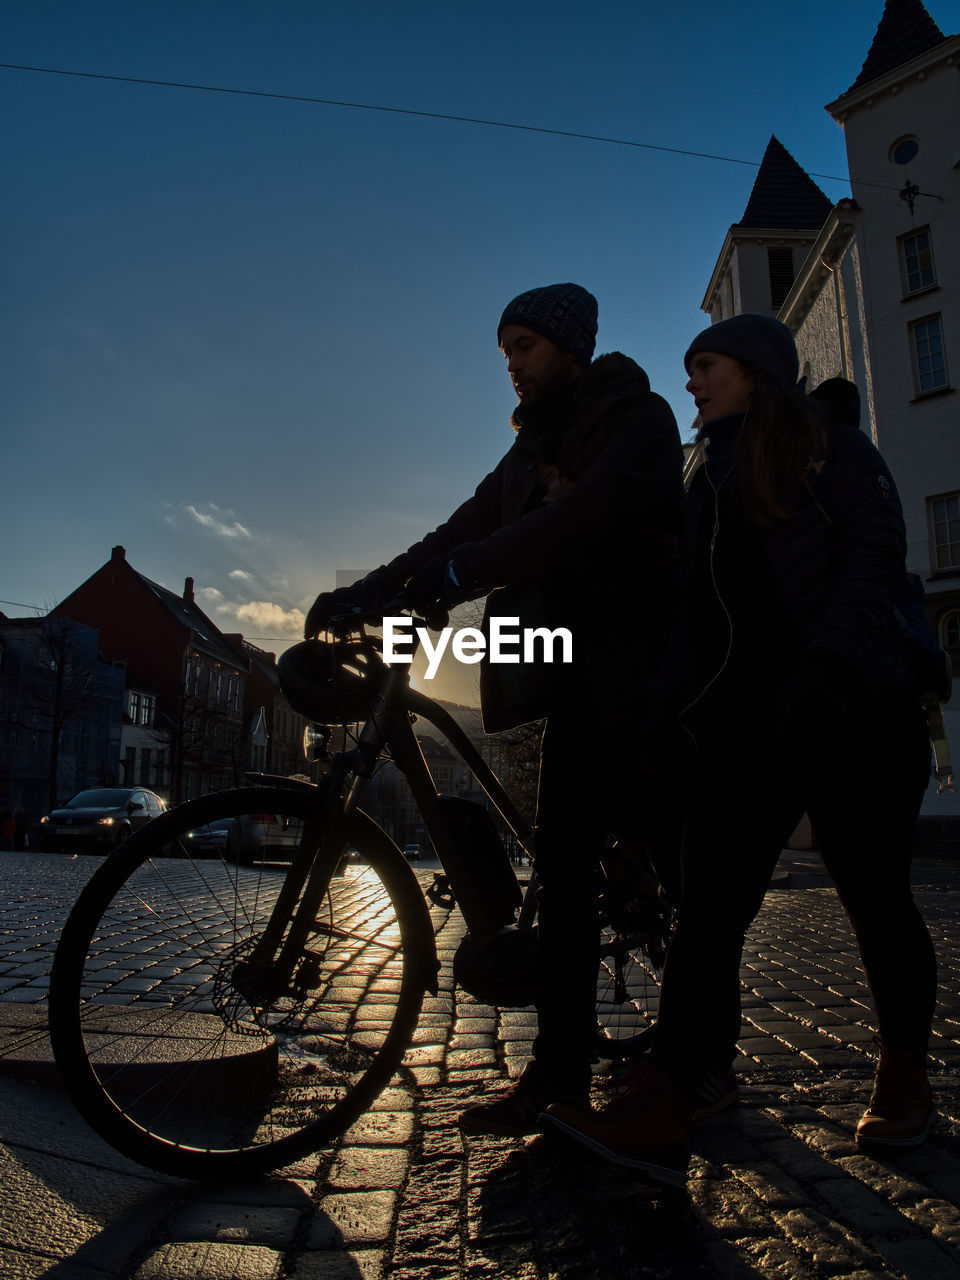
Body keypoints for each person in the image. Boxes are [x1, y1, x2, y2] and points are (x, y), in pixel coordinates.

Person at [543, 314, 939, 1185]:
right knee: (711, 906)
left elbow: (874, 560)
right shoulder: (706, 480)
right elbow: (691, 618)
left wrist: (830, 665)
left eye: (706, 365)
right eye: (689, 369)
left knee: (875, 898)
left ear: (757, 372)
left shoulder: (833, 450)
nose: (692, 381)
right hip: (752, 729)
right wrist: (661, 717)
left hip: (857, 711)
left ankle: (905, 1073)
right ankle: (676, 1092)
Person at [302, 283, 685, 1134]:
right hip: (570, 669)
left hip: (642, 673)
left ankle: (678, 1062)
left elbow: (583, 520)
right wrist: (359, 593)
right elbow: (454, 531)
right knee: (565, 865)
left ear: (569, 347)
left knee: (607, 863)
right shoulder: (526, 453)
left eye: (525, 347)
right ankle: (555, 1081)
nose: (511, 365)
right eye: (504, 350)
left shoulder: (640, 421)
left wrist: (463, 573)